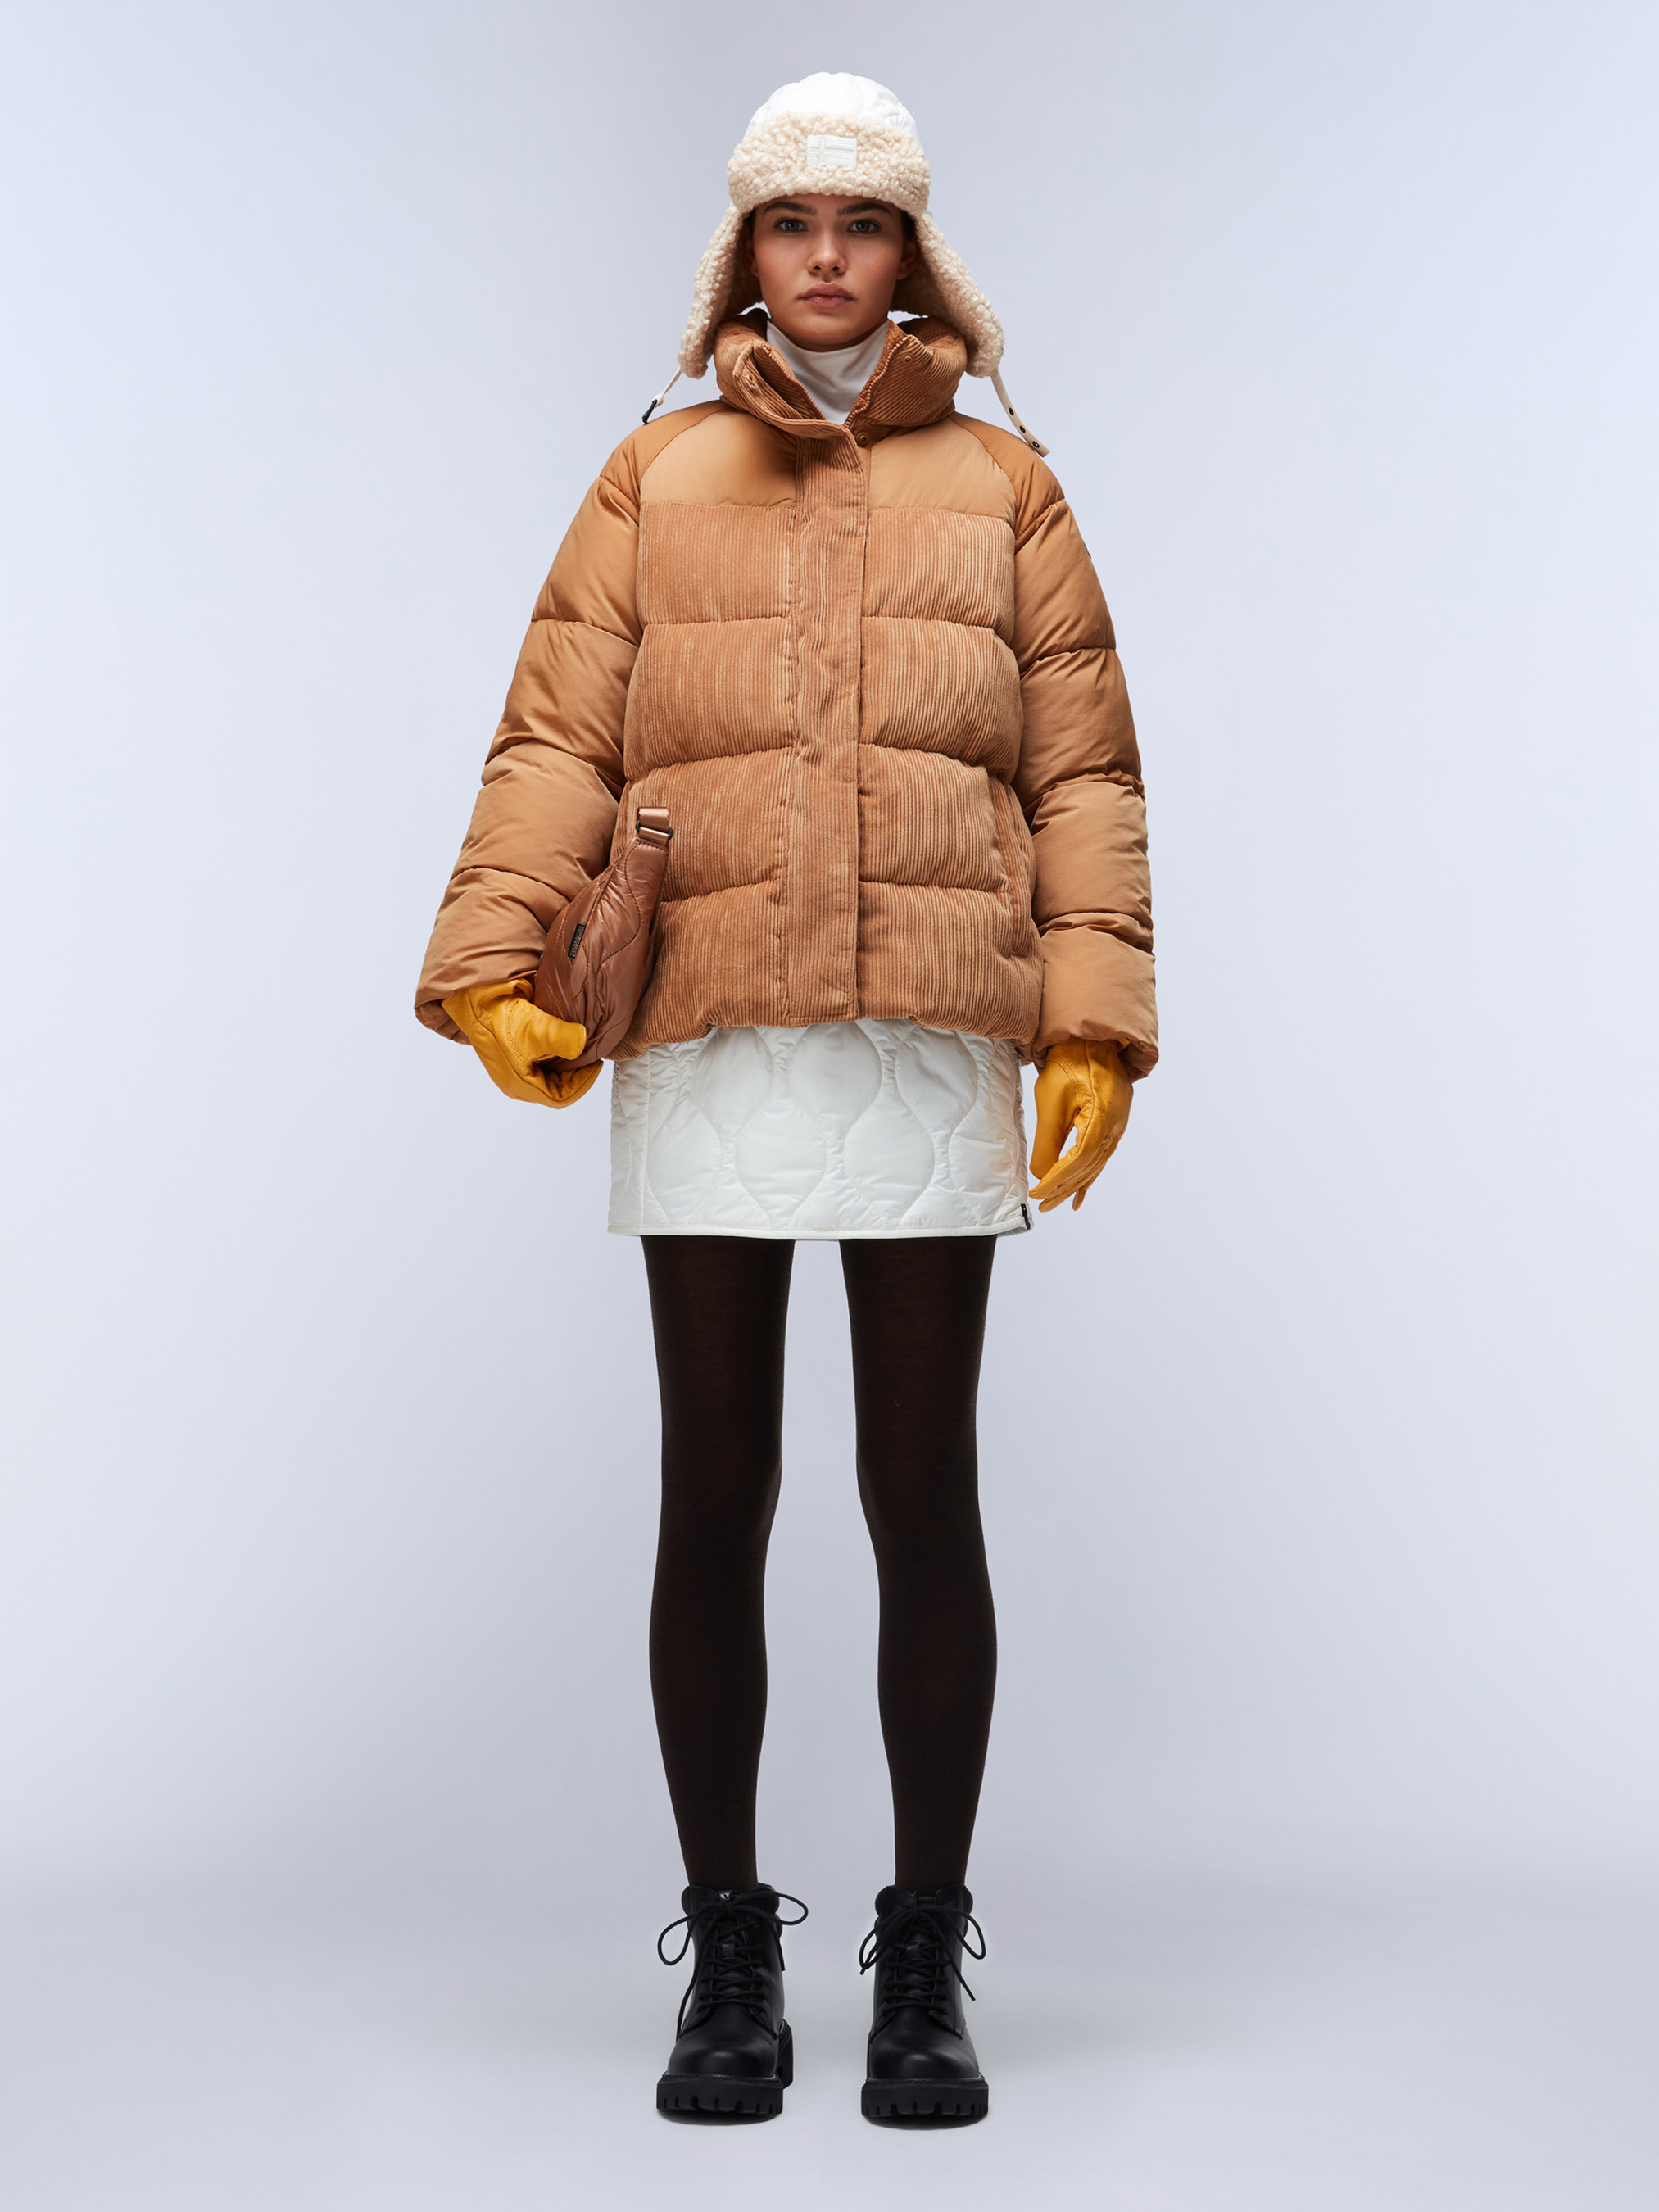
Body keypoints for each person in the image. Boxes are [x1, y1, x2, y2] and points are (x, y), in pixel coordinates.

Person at [415, 72, 1157, 2126]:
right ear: (739, 249)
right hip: (711, 1024)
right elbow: (556, 732)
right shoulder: (653, 476)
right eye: (788, 219)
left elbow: (1079, 770)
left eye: (862, 220)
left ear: (914, 251)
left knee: (921, 1496)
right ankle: (728, 1954)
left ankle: (921, 1959)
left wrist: (1089, 1023)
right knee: (713, 1495)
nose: (825, 255)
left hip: (927, 1029)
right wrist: (490, 967)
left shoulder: (1005, 489)